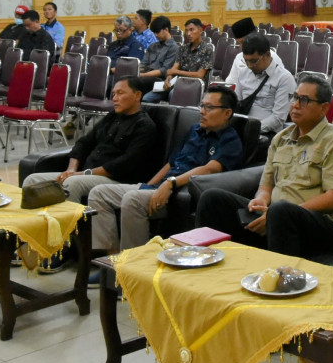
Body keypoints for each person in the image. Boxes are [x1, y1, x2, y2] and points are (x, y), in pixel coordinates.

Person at [196, 73, 333, 257]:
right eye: (294, 97)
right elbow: (266, 186)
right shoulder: (281, 138)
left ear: (323, 108)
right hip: (278, 215)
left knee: (281, 210)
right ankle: (205, 264)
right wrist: (261, 201)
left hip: (324, 224)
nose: (295, 105)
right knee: (212, 199)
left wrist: (274, 214)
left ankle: (278, 279)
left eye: (303, 100)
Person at [89, 85, 244, 253]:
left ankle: (134, 263)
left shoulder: (230, 141)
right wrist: (148, 185)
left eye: (209, 107)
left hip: (180, 193)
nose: (202, 111)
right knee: (99, 193)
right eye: (202, 106)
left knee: (132, 200)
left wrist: (171, 183)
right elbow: (171, 163)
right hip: (161, 187)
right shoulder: (194, 130)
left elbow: (209, 169)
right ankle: (111, 259)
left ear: (227, 113)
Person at [20, 77, 159, 205]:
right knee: (32, 180)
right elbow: (84, 143)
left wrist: (82, 174)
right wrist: (71, 169)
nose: (115, 99)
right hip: (85, 173)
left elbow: (123, 164)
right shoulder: (112, 117)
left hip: (116, 179)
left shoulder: (144, 125)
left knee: (72, 183)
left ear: (137, 95)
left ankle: (71, 229)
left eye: (120, 93)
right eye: (113, 94)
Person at [223, 33, 296, 144]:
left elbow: (278, 118)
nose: (249, 65)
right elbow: (236, 104)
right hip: (242, 128)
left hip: (267, 134)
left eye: (253, 61)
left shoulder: (284, 78)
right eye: (246, 61)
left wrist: (250, 129)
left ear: (267, 55)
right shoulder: (243, 73)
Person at [144, 17, 213, 103]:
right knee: (146, 99)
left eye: (192, 30)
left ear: (200, 30)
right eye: (187, 30)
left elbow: (200, 75)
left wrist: (177, 72)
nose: (188, 33)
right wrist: (168, 79)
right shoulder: (183, 49)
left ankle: (173, 115)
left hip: (194, 85)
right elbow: (172, 70)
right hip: (177, 83)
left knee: (173, 94)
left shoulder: (207, 49)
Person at [138, 16, 179, 86]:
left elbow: (164, 71)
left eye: (157, 32)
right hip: (146, 75)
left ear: (166, 30)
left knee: (139, 80)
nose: (155, 35)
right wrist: (136, 71)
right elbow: (143, 65)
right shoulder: (152, 46)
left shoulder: (174, 48)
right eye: (154, 32)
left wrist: (143, 75)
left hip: (160, 79)